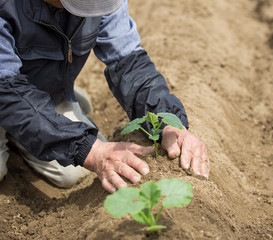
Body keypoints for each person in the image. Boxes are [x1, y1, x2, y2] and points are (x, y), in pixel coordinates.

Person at [0, 0, 210, 193]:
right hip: (6, 92)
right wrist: (88, 150)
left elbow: (128, 62)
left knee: (75, 174)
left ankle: (54, 102)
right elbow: (6, 91)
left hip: (46, 95)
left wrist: (168, 121)